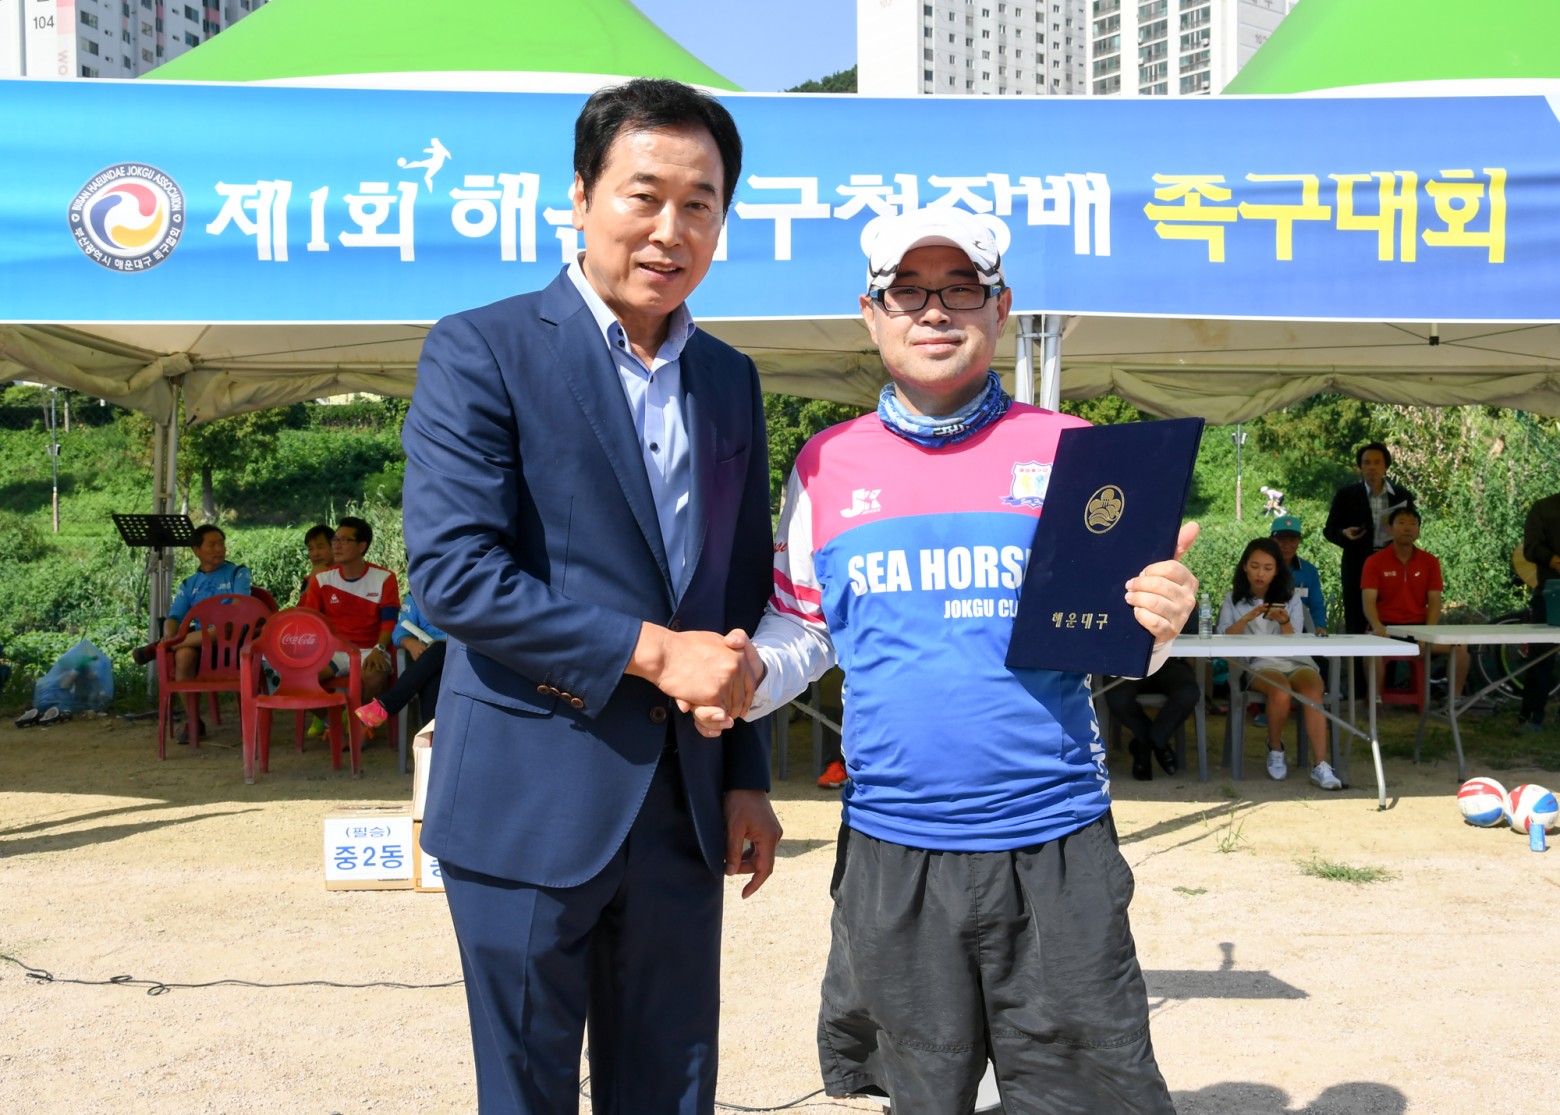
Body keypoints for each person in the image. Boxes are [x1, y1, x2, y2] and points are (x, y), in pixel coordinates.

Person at [692, 207, 1197, 1112]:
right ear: (871, 312)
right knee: (920, 1095)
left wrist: (1161, 623)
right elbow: (805, 627)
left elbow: (1123, 646)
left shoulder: (1075, 449)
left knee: (1086, 1097)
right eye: (908, 291)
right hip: (894, 847)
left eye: (962, 288)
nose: (934, 310)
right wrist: (750, 675)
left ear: (1000, 307)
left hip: (1054, 841)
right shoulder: (824, 465)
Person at [399, 78, 780, 1114]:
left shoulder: (730, 379)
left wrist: (744, 773)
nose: (670, 230)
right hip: (529, 794)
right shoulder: (483, 348)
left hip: (683, 805)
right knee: (525, 1094)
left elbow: (739, 590)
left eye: (699, 204)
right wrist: (655, 652)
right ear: (579, 195)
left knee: (671, 1088)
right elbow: (456, 575)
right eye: (643, 196)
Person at [1216, 538, 1342, 789]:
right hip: (1259, 664)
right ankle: (1275, 748)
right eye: (1255, 566)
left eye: (1268, 568)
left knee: (1312, 691)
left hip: (1296, 659)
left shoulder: (1291, 598)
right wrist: (1248, 617)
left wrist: (1284, 622)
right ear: (1244, 566)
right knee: (1281, 691)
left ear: (1276, 571)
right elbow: (1223, 636)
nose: (1260, 574)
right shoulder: (1233, 599)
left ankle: (1320, 765)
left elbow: (1294, 640)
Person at [1360, 506, 1469, 701]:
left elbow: (1434, 602)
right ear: (1390, 529)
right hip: (1387, 627)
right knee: (1371, 647)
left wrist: (1428, 633)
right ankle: (1375, 701)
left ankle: (1454, 702)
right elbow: (1368, 601)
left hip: (1419, 629)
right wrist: (1377, 626)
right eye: (1401, 523)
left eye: (1413, 524)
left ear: (1418, 530)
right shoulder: (1374, 561)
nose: (1407, 528)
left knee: (1460, 648)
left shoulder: (1430, 561)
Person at [155, 523, 252, 738]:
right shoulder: (189, 584)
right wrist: (170, 632)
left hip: (234, 641)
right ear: (196, 550)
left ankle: (168, 645)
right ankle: (193, 721)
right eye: (212, 545)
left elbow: (239, 610)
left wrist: (172, 640)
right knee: (183, 655)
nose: (219, 549)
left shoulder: (238, 573)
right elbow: (175, 617)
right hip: (202, 645)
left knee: (222, 630)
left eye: (221, 544)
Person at [298, 516, 396, 703]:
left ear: (361, 546)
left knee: (375, 677)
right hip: (333, 652)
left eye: (344, 540)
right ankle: (333, 717)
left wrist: (379, 648)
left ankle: (363, 718)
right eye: (335, 540)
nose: (337, 545)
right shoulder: (321, 579)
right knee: (299, 679)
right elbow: (310, 622)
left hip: (371, 649)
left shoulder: (384, 578)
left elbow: (389, 622)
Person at [1324, 442, 1416, 634]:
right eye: (1367, 463)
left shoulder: (1401, 496)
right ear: (1360, 467)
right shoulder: (1346, 495)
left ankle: (1392, 654)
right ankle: (1357, 655)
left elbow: (1412, 527)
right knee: (1357, 621)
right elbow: (1330, 529)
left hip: (1392, 563)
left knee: (1392, 618)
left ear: (1386, 466)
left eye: (1377, 462)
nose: (1372, 467)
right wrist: (1344, 534)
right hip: (1357, 565)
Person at [354, 584, 445, 731]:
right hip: (430, 660)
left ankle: (386, 705)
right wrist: (409, 643)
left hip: (463, 654)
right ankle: (432, 738)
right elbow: (400, 630)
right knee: (432, 675)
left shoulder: (469, 588)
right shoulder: (417, 593)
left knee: (439, 649)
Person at [1104, 656, 1199, 781]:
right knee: (1117, 697)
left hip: (1171, 663)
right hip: (1127, 664)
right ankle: (1155, 741)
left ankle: (1149, 742)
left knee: (1188, 693)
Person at [1519, 490, 1560, 731]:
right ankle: (1532, 717)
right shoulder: (1543, 507)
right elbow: (1531, 547)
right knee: (1541, 658)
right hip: (1551, 594)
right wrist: (1554, 560)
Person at [1270, 514, 1327, 634]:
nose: (1287, 545)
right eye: (1281, 540)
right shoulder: (1263, 568)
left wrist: (1319, 626)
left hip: (1299, 630)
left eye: (1292, 540)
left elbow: (1317, 605)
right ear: (1271, 540)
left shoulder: (1309, 571)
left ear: (1299, 541)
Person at [298, 523, 335, 601]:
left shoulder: (347, 577)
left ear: (334, 547)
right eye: (311, 549)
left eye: (320, 547)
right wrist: (312, 580)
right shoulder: (308, 581)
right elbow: (303, 608)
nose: (315, 554)